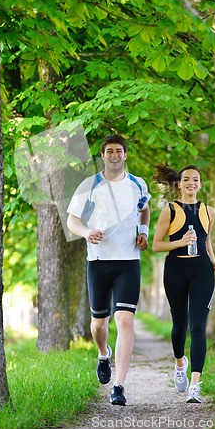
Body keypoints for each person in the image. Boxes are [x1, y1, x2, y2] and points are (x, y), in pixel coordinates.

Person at [67, 134, 150, 406]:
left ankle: (119, 386)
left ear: (125, 155)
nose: (114, 155)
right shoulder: (89, 185)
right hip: (99, 261)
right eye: (109, 151)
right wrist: (87, 232)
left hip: (129, 261)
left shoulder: (138, 184)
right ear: (102, 155)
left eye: (119, 151)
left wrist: (144, 232)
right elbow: (72, 220)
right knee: (99, 324)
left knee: (124, 320)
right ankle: (104, 354)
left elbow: (144, 210)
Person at [152, 163, 215, 403]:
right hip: (176, 270)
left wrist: (213, 261)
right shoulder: (169, 210)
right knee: (180, 325)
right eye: (186, 180)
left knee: (197, 326)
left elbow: (206, 240)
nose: (191, 183)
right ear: (179, 184)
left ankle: (195, 386)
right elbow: (157, 245)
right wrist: (180, 242)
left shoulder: (209, 211)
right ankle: (180, 363)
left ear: (200, 184)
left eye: (195, 179)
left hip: (202, 271)